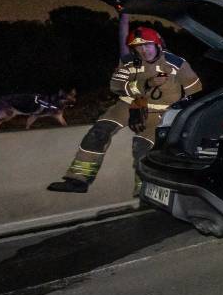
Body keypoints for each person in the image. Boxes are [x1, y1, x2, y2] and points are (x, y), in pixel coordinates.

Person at [47, 27, 203, 194]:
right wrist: (147, 84)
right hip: (129, 105)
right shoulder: (128, 61)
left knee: (142, 147)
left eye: (148, 45)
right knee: (98, 133)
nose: (144, 50)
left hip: (160, 112)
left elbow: (196, 90)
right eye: (138, 47)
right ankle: (78, 180)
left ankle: (145, 189)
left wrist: (183, 114)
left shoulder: (176, 63)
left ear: (158, 45)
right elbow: (116, 86)